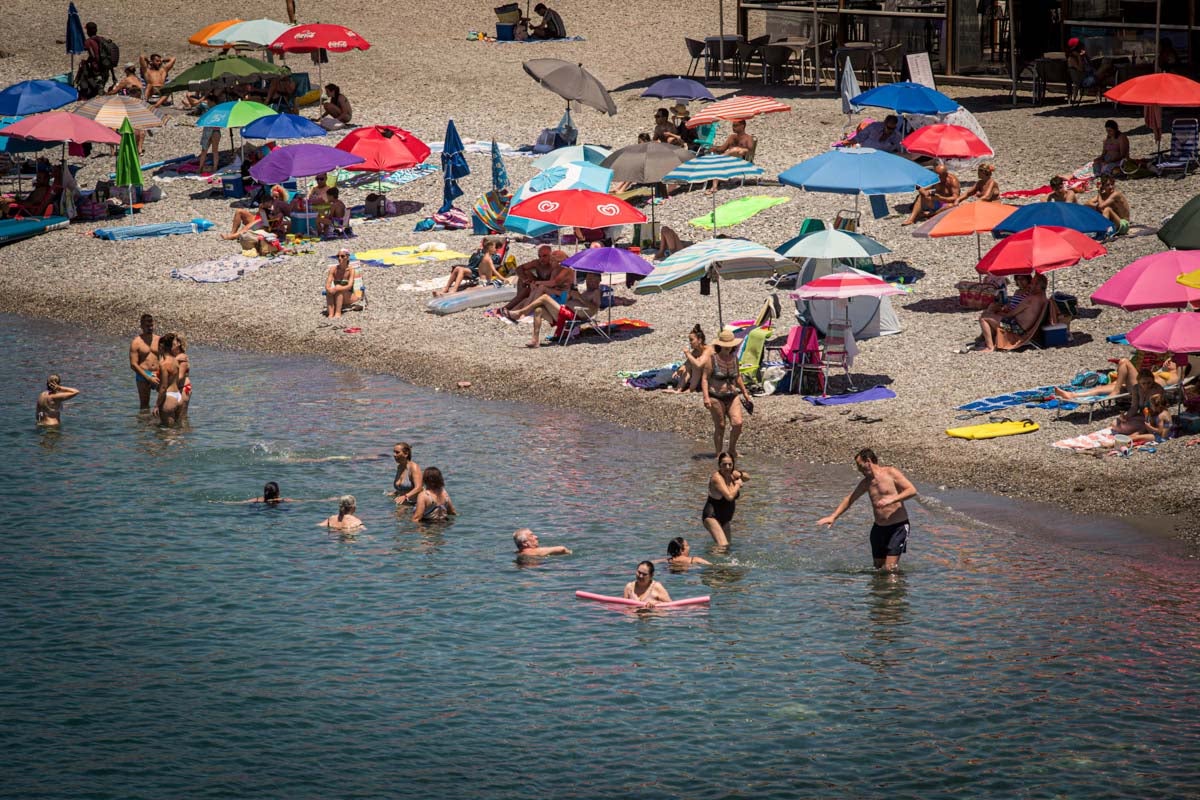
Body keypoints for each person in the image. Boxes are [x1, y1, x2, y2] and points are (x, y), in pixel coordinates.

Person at [818, 448, 917, 571]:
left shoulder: (891, 473)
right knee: (878, 569)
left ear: (868, 461)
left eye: (860, 466)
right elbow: (850, 499)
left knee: (890, 568)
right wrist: (833, 516)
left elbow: (912, 490)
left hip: (898, 527)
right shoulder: (866, 483)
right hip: (878, 529)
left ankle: (895, 588)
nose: (859, 470)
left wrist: (892, 500)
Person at [702, 329, 752, 458]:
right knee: (720, 425)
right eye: (725, 346)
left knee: (738, 423)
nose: (728, 349)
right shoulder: (712, 359)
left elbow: (738, 377)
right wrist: (706, 397)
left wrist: (745, 393)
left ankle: (731, 450)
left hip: (732, 395)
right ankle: (719, 454)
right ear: (720, 345)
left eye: (730, 346)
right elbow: (705, 379)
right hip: (715, 396)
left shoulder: (734, 358)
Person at [977, 273, 1048, 352]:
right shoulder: (1043, 298)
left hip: (1015, 329)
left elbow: (1011, 314)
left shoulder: (1030, 299)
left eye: (1032, 283)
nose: (1030, 285)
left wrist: (1001, 313)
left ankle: (989, 347)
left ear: (1037, 285)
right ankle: (987, 339)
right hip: (1021, 328)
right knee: (991, 314)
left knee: (984, 318)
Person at [702, 452, 748, 547]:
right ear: (719, 465)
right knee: (723, 546)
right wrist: (738, 484)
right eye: (724, 465)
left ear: (733, 464)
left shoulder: (732, 475)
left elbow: (748, 477)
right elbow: (729, 497)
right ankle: (707, 562)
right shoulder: (717, 478)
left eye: (730, 464)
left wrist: (739, 473)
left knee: (726, 547)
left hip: (725, 519)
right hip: (712, 516)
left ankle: (712, 558)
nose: (727, 467)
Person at [435, 238, 504, 296]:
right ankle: (446, 288)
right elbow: (471, 261)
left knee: (461, 270)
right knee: (457, 268)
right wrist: (477, 253)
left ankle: (454, 290)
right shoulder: (482, 253)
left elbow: (492, 264)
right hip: (472, 269)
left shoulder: (494, 256)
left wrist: (481, 255)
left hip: (477, 272)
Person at [503, 245, 555, 313]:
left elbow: (553, 283)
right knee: (526, 273)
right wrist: (525, 280)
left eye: (545, 256)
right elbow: (519, 269)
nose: (541, 259)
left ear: (551, 255)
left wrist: (535, 283)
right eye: (539, 256)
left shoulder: (554, 265)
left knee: (526, 291)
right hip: (538, 285)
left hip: (548, 289)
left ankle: (508, 307)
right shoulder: (537, 263)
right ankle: (518, 298)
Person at [708, 119, 754, 193]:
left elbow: (750, 150)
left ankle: (714, 185)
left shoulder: (748, 138)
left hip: (740, 160)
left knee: (734, 150)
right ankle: (714, 187)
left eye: (735, 126)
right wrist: (715, 148)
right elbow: (722, 148)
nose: (733, 127)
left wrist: (741, 150)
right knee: (721, 158)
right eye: (733, 125)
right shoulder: (732, 137)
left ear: (743, 126)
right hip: (727, 159)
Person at [667, 324, 712, 393]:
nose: (690, 342)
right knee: (688, 365)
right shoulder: (696, 351)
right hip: (703, 377)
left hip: (712, 378)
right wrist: (680, 369)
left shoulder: (708, 350)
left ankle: (691, 389)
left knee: (696, 362)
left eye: (691, 340)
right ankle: (678, 389)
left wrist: (688, 354)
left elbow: (699, 365)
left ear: (699, 340)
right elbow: (687, 363)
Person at [129, 313, 160, 410]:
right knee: (144, 406)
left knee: (165, 401)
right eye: (147, 326)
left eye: (151, 325)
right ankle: (144, 425)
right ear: (141, 326)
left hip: (158, 373)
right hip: (143, 374)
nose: (150, 328)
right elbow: (133, 364)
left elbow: (165, 357)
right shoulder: (136, 342)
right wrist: (148, 377)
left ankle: (161, 424)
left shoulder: (159, 340)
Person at [153, 332, 184, 427]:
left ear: (161, 347)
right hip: (178, 397)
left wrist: (157, 405)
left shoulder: (164, 364)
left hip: (169, 398)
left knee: (167, 434)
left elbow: (163, 387)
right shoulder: (175, 360)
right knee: (177, 430)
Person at [325, 249, 358, 319]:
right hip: (338, 293)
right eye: (338, 256)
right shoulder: (333, 269)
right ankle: (331, 314)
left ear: (347, 257)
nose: (340, 258)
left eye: (342, 256)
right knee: (329, 292)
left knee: (339, 290)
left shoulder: (351, 270)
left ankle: (338, 312)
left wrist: (338, 287)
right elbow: (328, 283)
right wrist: (329, 289)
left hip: (349, 296)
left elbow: (349, 286)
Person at [173, 332, 192, 419]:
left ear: (179, 343)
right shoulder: (176, 357)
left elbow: (180, 377)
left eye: (172, 341)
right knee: (177, 417)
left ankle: (185, 431)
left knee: (181, 417)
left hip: (184, 389)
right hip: (178, 389)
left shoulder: (182, 357)